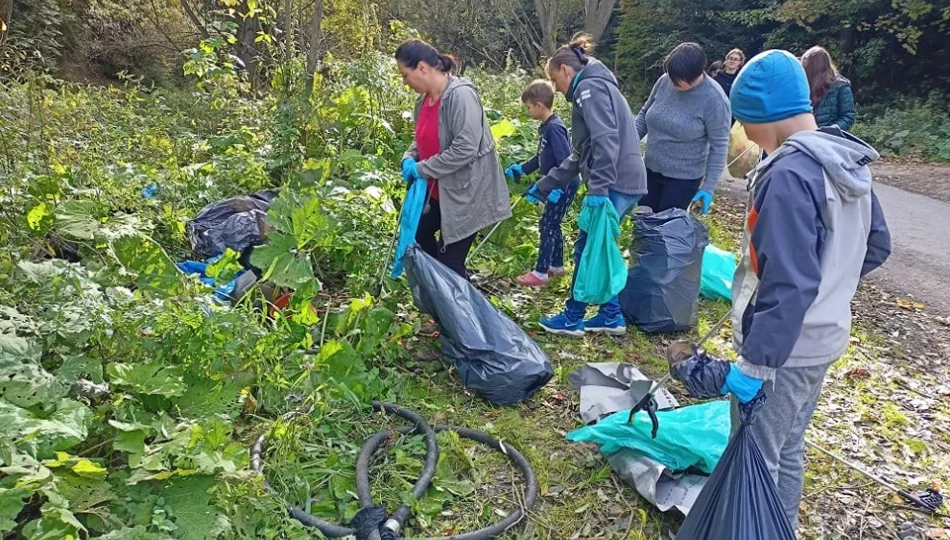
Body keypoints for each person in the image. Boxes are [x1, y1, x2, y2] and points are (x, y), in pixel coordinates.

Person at [678, 49, 890, 531]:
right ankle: (780, 526)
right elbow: (876, 245)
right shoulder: (845, 159)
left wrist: (755, 364)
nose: (746, 135)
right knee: (789, 446)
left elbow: (789, 283)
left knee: (757, 457)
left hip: (782, 353)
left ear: (758, 119)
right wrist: (831, 288)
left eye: (745, 122)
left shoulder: (788, 176)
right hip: (823, 340)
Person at [530, 33, 648, 336]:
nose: (556, 88)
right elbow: (581, 153)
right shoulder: (591, 87)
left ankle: (572, 317)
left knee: (587, 247)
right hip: (619, 180)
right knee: (596, 245)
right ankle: (610, 316)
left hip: (616, 182)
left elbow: (606, 141)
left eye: (556, 80)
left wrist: (599, 190)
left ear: (566, 71)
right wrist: (546, 183)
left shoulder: (589, 89)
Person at [396, 39, 512, 279]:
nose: (405, 83)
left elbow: (465, 148)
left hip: (466, 195)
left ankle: (460, 311)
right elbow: (421, 138)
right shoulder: (424, 101)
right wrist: (409, 157)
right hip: (438, 192)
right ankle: (443, 295)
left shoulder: (460, 96)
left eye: (405, 75)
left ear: (422, 68)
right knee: (416, 236)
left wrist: (422, 168)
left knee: (450, 264)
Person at [635, 42, 731, 215]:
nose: (673, 83)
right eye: (671, 77)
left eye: (678, 80)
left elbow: (719, 147)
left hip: (682, 181)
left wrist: (708, 187)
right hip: (649, 170)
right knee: (642, 222)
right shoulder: (664, 81)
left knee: (665, 231)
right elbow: (643, 115)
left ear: (696, 75)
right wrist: (627, 147)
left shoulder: (715, 100)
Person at [504, 80, 580, 287]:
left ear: (539, 105)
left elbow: (567, 162)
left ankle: (541, 272)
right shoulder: (547, 127)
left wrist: (557, 188)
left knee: (547, 224)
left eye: (528, 107)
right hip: (558, 183)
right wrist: (522, 168)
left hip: (564, 184)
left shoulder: (554, 128)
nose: (527, 111)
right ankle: (556, 265)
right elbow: (542, 157)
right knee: (552, 223)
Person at [801, 46, 856, 130]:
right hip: (807, 135)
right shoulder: (803, 84)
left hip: (831, 138)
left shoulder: (840, 86)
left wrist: (830, 130)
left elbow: (848, 117)